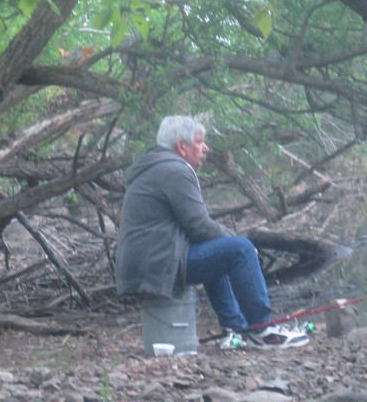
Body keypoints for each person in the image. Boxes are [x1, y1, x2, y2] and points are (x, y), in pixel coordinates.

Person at [116, 115, 309, 349]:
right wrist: (243, 244)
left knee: (219, 252)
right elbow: (200, 226)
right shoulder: (175, 170)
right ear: (181, 146)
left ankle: (236, 329)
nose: (205, 148)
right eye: (199, 142)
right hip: (159, 265)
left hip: (146, 264)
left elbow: (199, 231)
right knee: (240, 250)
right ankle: (263, 331)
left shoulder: (155, 167)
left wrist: (228, 241)